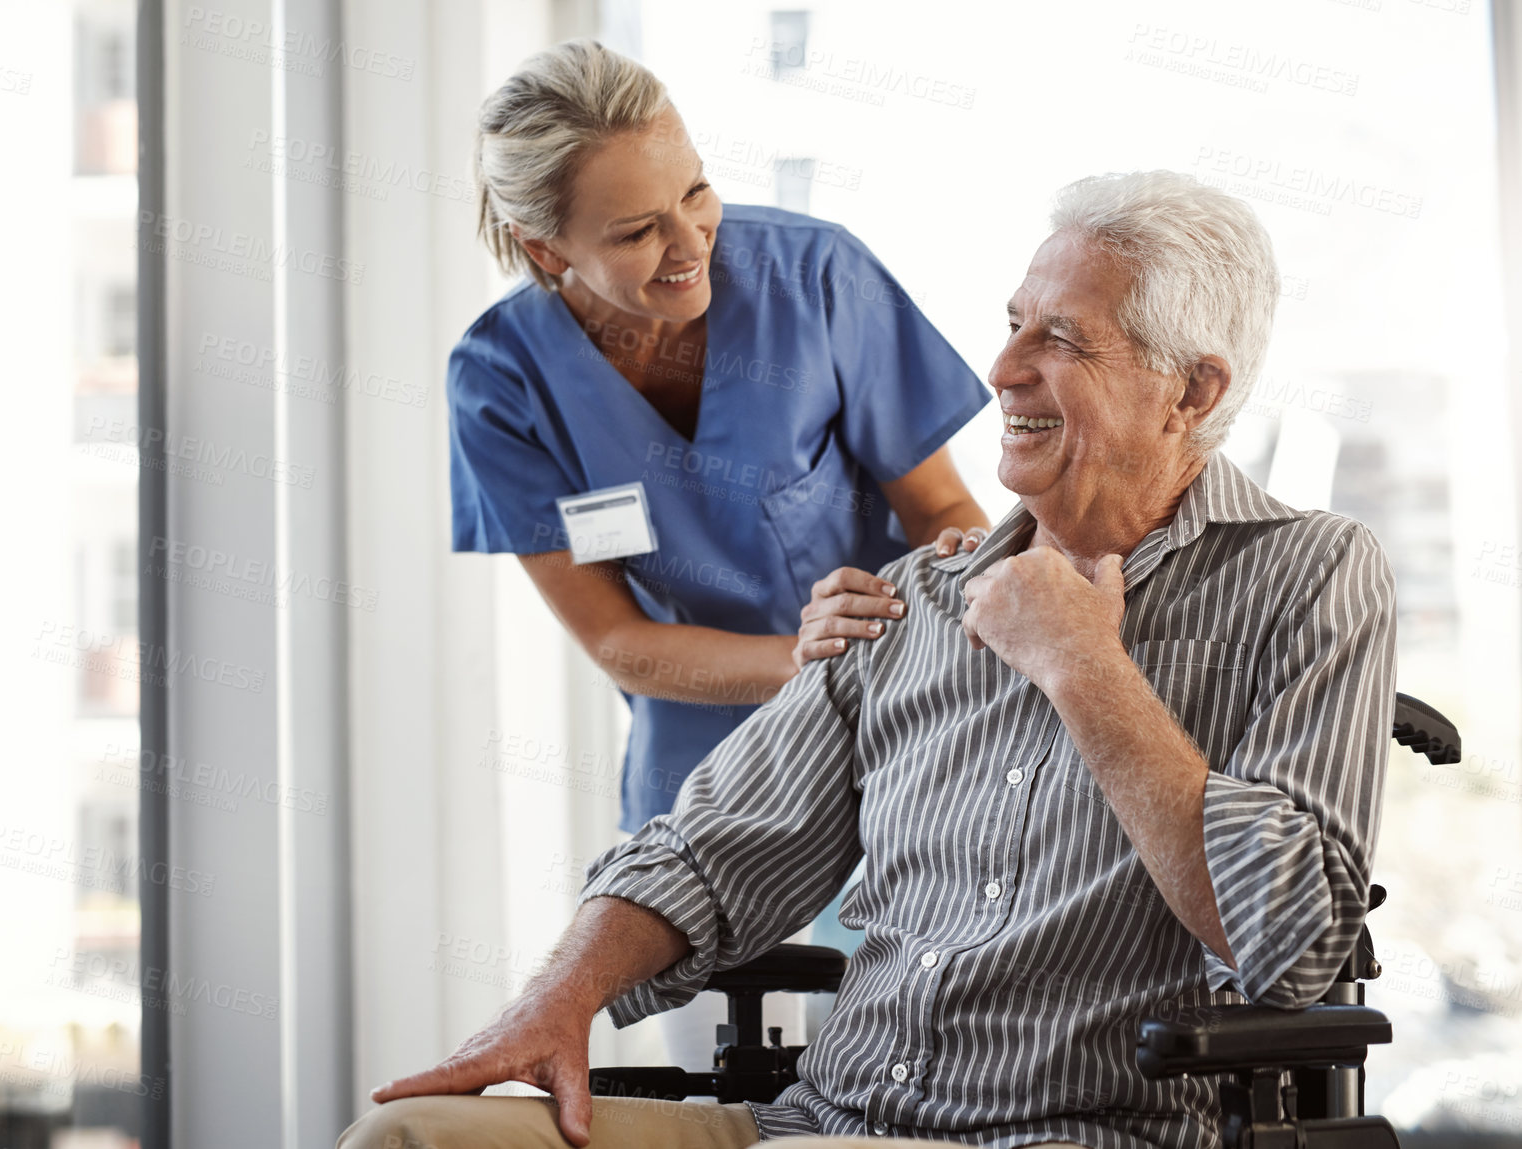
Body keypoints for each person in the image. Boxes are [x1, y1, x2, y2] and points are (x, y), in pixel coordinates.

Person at [346, 170, 1398, 1148]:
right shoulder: (911, 597)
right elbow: (710, 855)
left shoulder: (1308, 574)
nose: (999, 370)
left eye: (1062, 341)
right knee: (411, 1138)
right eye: (1010, 324)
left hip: (1064, 1130)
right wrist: (553, 1006)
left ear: (1190, 390)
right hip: (820, 1121)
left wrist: (1084, 667)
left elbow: (1292, 942)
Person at [450, 39, 993, 839]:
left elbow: (939, 505)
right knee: (674, 943)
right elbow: (616, 636)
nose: (692, 243)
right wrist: (800, 659)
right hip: (699, 719)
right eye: (637, 231)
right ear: (546, 247)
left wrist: (978, 611)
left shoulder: (815, 279)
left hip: (899, 681)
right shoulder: (501, 380)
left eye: (696, 190)